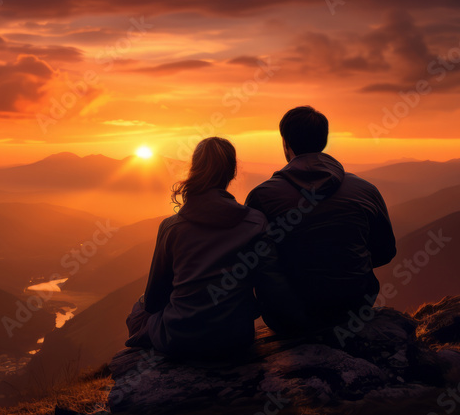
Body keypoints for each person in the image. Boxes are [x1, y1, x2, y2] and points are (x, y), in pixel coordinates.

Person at [125, 137, 304, 359]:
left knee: (138, 311)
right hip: (236, 338)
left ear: (195, 170)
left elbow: (154, 300)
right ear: (232, 173)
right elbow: (270, 284)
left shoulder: (172, 227)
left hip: (180, 339)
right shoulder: (255, 223)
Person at [246, 106, 396, 335]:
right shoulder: (366, 189)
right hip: (355, 308)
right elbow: (385, 252)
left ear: (285, 143)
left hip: (290, 319)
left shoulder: (262, 196)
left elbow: (252, 262)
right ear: (324, 141)